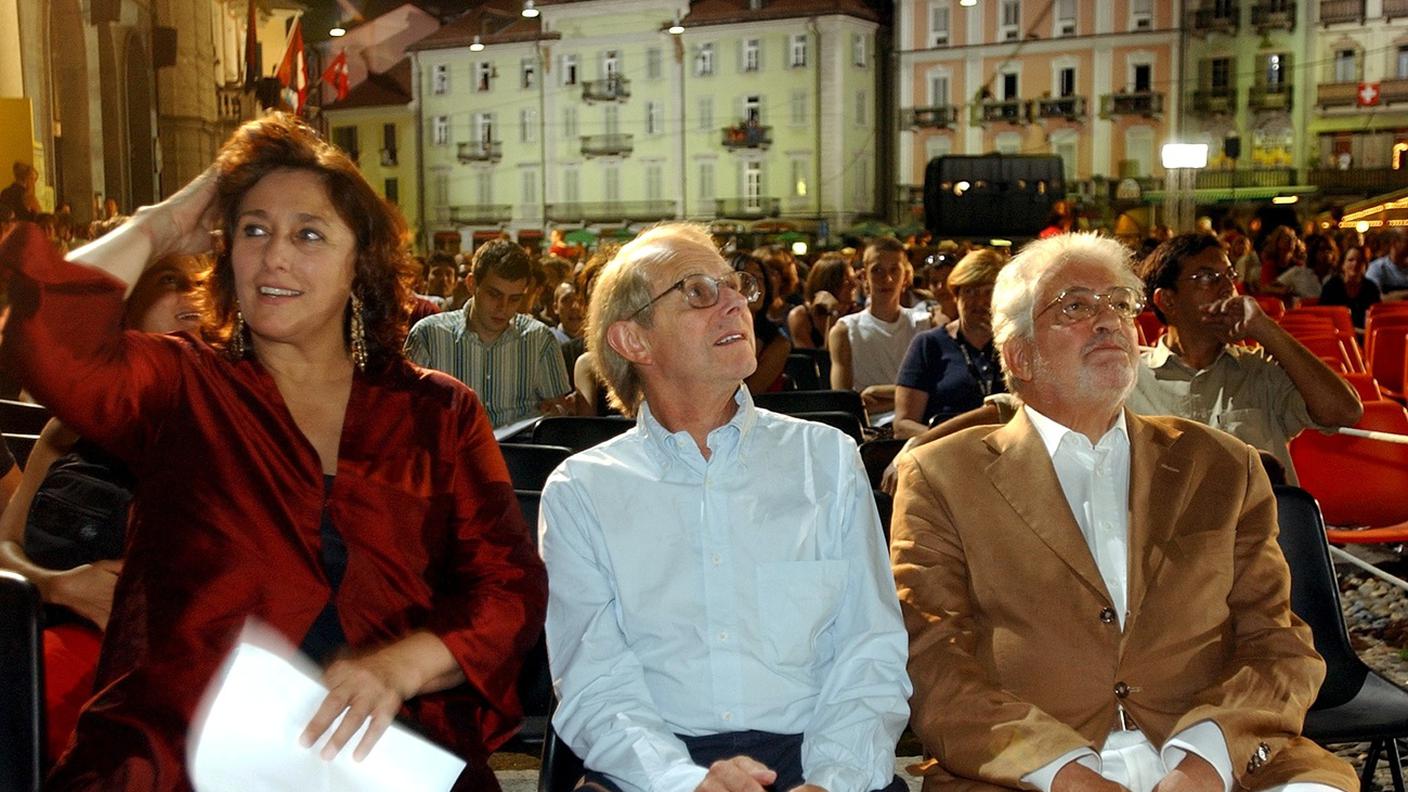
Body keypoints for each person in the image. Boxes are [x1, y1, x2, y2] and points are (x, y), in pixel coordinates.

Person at [0, 114, 547, 791]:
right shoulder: (183, 384)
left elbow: (509, 589)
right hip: (180, 758)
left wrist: (399, 667)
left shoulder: (438, 413)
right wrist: (165, 223)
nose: (274, 256)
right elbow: (48, 341)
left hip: (383, 759)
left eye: (308, 234)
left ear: (360, 263)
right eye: (254, 230)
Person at [891, 231, 1358, 792]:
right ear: (1020, 356)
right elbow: (934, 664)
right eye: (1076, 307)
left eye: (1119, 303)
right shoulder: (943, 477)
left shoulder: (1223, 464)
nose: (1108, 320)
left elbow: (1277, 643)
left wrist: (1204, 764)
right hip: (1029, 770)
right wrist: (1065, 775)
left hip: (1216, 754)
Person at [540, 223, 911, 792]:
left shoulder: (825, 459)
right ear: (634, 340)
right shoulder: (583, 490)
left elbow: (870, 651)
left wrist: (833, 779)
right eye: (698, 291)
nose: (736, 301)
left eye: (735, 285)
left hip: (819, 751)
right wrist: (683, 782)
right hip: (652, 767)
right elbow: (595, 684)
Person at [0, 253, 206, 760]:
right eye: (172, 281)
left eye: (203, 283)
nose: (194, 294)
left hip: (149, 675)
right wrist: (57, 586)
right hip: (40, 641)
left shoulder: (225, 427)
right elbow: (4, 546)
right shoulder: (69, 427)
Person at [406, 238, 573, 429]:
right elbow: (404, 411)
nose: (503, 307)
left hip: (518, 447)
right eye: (494, 295)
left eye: (514, 299)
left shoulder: (540, 340)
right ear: (471, 284)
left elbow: (557, 412)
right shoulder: (428, 335)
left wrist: (556, 411)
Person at [892, 249, 1005, 439]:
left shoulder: (1016, 345)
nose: (980, 301)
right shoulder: (928, 345)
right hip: (944, 450)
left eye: (989, 292)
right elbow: (903, 425)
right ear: (956, 295)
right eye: (970, 291)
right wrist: (952, 442)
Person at [830, 237, 932, 414]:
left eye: (894, 270)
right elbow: (843, 404)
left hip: (918, 423)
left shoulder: (924, 323)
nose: (887, 279)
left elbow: (937, 388)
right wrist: (911, 396)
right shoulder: (845, 330)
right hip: (872, 427)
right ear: (864, 277)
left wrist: (877, 394)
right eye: (877, 270)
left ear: (905, 277)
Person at [733, 251, 791, 393]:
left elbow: (747, 394)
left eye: (760, 278)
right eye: (747, 277)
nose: (756, 284)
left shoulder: (777, 342)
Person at [787, 253, 855, 350]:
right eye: (847, 281)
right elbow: (823, 357)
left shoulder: (855, 313)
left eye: (853, 279)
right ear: (829, 284)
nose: (854, 284)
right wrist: (832, 314)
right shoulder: (801, 316)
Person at [1318, 244, 1380, 328]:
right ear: (1343, 265)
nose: (1355, 264)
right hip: (1336, 332)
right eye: (1350, 260)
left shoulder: (1371, 288)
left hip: (1365, 333)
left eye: (1360, 261)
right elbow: (1323, 317)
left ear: (1365, 265)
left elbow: (1376, 317)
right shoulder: (1331, 287)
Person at [1366, 228, 1408, 300]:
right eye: (1406, 240)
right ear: (1394, 243)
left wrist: (1395, 295)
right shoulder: (1377, 267)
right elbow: (1375, 298)